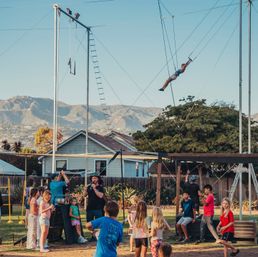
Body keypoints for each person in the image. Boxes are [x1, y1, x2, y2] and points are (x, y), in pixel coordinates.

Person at [84, 174, 105, 241]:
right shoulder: (89, 187)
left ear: (98, 179)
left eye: (95, 178)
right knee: (89, 223)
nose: (94, 179)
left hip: (98, 208)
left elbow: (100, 196)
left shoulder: (100, 187)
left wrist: (94, 188)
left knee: (99, 223)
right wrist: (85, 190)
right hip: (90, 208)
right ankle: (93, 236)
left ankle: (99, 236)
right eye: (92, 178)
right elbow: (84, 195)